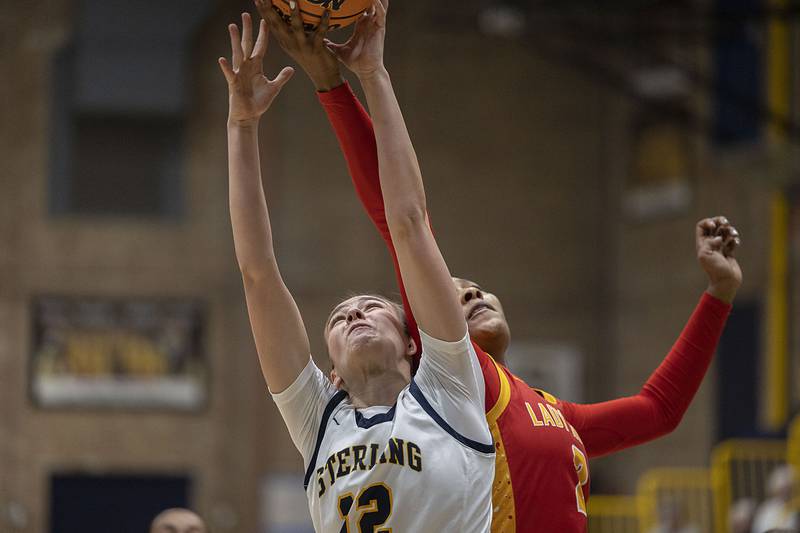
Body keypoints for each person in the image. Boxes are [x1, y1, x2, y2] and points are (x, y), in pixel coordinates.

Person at [257, 0, 743, 531]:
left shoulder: (552, 411)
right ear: (420, 338)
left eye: (477, 289)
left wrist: (717, 294)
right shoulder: (451, 390)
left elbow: (658, 410)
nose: (468, 294)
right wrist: (334, 86)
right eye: (454, 292)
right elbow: (398, 217)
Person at [218, 8, 494, 532]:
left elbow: (409, 223)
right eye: (339, 318)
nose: (354, 314)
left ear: (414, 342)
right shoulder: (317, 419)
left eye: (373, 307)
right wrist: (242, 125)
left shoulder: (452, 388)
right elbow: (258, 274)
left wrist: (374, 74)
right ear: (333, 373)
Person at [752, 465, 799, 533]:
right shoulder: (766, 509)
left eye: (789, 488)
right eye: (782, 489)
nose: (786, 492)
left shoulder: (796, 507)